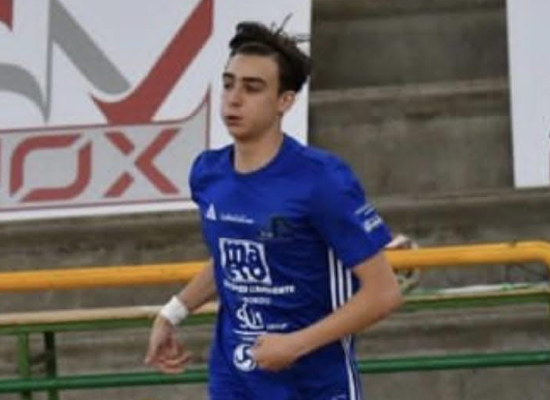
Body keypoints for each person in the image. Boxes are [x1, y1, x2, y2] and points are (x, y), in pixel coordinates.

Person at [145, 21, 402, 400]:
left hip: (313, 384)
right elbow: (230, 259)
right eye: (229, 84)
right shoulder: (207, 173)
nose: (234, 99)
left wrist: (295, 344)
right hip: (234, 379)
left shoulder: (321, 179)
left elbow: (384, 293)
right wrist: (173, 313)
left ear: (285, 101)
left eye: (252, 88)